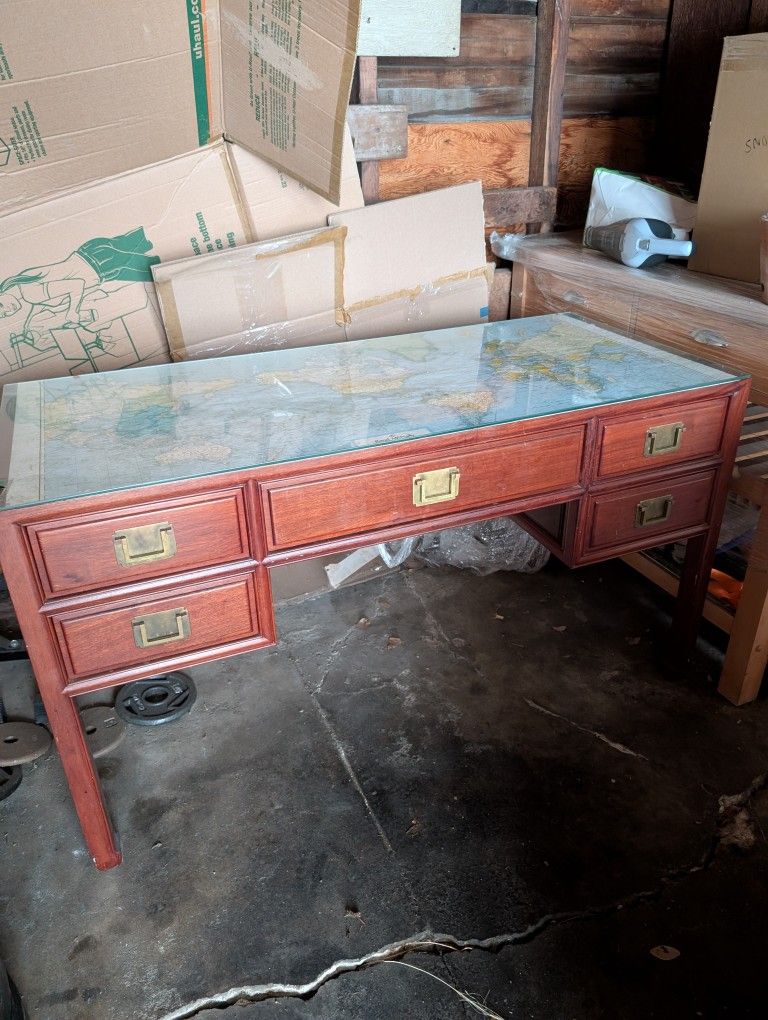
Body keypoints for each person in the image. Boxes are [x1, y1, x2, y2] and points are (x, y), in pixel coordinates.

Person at [0, 227, 160, 337]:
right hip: (93, 253)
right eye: (3, 315)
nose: (8, 311)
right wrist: (27, 325)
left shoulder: (31, 294)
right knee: (155, 237)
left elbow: (76, 285)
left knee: (159, 268)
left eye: (1, 307)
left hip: (101, 264)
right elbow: (41, 302)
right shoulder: (23, 281)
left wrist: (72, 311)